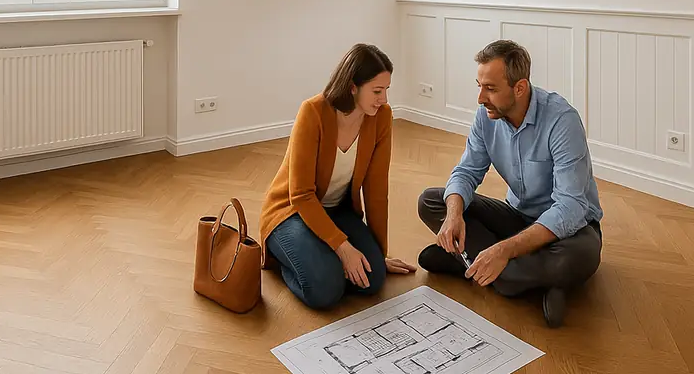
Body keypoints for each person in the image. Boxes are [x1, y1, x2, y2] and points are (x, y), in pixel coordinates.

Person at [416, 39, 603, 328]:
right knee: (431, 200)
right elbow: (466, 171)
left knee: (578, 257)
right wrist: (454, 215)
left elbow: (570, 206)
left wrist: (503, 250)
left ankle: (465, 263)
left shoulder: (562, 121)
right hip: (517, 217)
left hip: (571, 229)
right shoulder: (486, 115)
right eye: (479, 86)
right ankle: (533, 281)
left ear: (520, 88)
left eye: (490, 89)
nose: (480, 98)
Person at [258, 44, 417, 309]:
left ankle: (323, 259)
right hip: (290, 212)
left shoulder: (381, 117)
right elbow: (301, 195)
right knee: (326, 290)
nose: (384, 100)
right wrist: (342, 247)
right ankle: (283, 258)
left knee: (373, 278)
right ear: (353, 87)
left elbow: (377, 193)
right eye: (377, 91)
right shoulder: (313, 112)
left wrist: (379, 254)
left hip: (336, 210)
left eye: (386, 90)